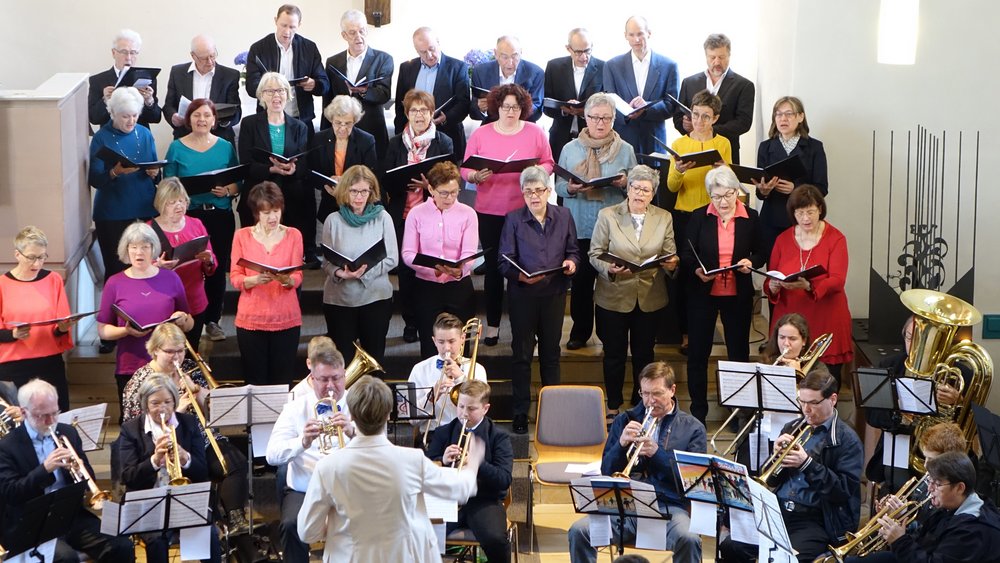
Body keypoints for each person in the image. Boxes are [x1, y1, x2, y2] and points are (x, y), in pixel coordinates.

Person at [298, 375, 485, 560]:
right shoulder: (413, 460)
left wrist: (338, 529)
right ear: (389, 413)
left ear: (352, 416)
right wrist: (473, 461)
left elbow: (307, 532)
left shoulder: (327, 467)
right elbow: (460, 488)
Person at [719, 369, 863, 563]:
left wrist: (806, 464)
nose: (806, 409)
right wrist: (774, 457)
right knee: (730, 546)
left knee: (785, 560)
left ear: (833, 399)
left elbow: (842, 491)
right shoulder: (793, 427)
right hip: (777, 513)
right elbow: (771, 478)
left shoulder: (847, 439)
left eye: (813, 403)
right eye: (802, 401)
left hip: (814, 520)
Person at [568, 362, 706, 563]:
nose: (650, 401)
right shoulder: (625, 420)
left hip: (669, 507)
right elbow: (607, 471)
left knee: (690, 539)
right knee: (579, 531)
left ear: (672, 390)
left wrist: (657, 454)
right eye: (645, 393)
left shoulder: (693, 429)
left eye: (657, 394)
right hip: (626, 505)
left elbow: (694, 482)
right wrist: (621, 444)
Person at [120, 323, 249, 529]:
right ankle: (206, 523)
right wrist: (177, 412)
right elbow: (134, 424)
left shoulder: (190, 369)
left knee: (235, 463)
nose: (177, 357)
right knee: (201, 472)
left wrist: (197, 390)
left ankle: (235, 521)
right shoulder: (140, 382)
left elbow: (216, 412)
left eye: (180, 351)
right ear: (154, 350)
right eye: (170, 352)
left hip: (202, 437)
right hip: (165, 444)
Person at [0, 379, 135, 563]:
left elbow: (89, 481)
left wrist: (79, 465)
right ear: (24, 412)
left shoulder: (68, 432)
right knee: (65, 558)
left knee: (121, 546)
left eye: (54, 413)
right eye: (42, 416)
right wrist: (45, 469)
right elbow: (11, 493)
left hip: (69, 516)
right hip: (31, 524)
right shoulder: (7, 446)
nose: (50, 421)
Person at [462, 83, 555, 346]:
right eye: (505, 107)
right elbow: (465, 168)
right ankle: (491, 326)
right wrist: (475, 175)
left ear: (523, 108)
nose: (510, 111)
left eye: (515, 107)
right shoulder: (482, 133)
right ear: (497, 107)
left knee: (525, 267)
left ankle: (525, 328)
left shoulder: (535, 132)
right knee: (492, 270)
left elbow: (549, 162)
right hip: (489, 209)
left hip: (524, 209)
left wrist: (535, 173)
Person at [589, 165, 679, 415]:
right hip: (614, 294)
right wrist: (610, 269)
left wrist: (672, 263)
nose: (640, 193)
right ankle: (613, 405)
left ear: (653, 194)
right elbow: (595, 253)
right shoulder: (608, 215)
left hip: (649, 296)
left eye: (646, 190)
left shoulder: (663, 217)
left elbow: (670, 252)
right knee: (614, 355)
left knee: (644, 354)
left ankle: (642, 404)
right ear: (628, 189)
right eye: (636, 188)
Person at [680, 166, 765, 425]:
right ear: (709, 196)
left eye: (728, 195)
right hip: (703, 293)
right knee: (698, 353)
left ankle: (738, 411)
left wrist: (750, 262)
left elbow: (762, 252)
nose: (723, 202)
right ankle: (698, 412)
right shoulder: (698, 217)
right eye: (716, 197)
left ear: (737, 192)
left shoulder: (751, 216)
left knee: (738, 353)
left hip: (737, 293)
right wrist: (697, 269)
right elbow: (686, 253)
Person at [498, 166, 580, 434]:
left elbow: (573, 251)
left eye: (539, 190)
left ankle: (552, 412)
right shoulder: (513, 219)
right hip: (523, 295)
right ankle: (521, 412)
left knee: (550, 353)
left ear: (548, 191)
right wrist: (521, 277)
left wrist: (571, 263)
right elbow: (503, 261)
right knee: (521, 354)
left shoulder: (564, 215)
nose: (534, 196)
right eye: (529, 191)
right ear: (523, 193)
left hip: (554, 294)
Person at [554, 92, 636, 350]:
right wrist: (571, 188)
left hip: (612, 229)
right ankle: (580, 332)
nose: (600, 123)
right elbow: (557, 186)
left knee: (610, 283)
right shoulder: (569, 148)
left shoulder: (626, 150)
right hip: (578, 225)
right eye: (595, 117)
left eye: (606, 118)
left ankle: (608, 333)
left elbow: (637, 188)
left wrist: (625, 184)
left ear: (613, 119)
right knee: (580, 283)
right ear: (585, 118)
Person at [118, 375, 219, 563]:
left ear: (175, 401)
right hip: (149, 502)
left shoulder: (188, 424)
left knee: (208, 531)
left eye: (167, 402)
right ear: (145, 404)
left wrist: (185, 458)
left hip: (185, 500)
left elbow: (202, 471)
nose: (162, 408)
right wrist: (155, 461)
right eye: (155, 403)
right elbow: (127, 476)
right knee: (156, 539)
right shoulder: (130, 430)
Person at [267, 345, 354, 563]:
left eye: (336, 378)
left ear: (344, 374)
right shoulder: (295, 407)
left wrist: (353, 431)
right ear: (312, 378)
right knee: (290, 524)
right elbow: (272, 455)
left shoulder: (359, 402)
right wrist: (302, 442)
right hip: (306, 488)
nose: (331, 386)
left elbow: (380, 444)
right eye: (324, 380)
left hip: (351, 487)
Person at [97, 223, 193, 417]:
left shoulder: (171, 278)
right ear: (126, 250)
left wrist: (182, 319)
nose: (138, 252)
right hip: (131, 365)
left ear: (153, 249)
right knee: (135, 426)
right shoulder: (115, 283)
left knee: (173, 421)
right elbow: (103, 329)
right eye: (133, 247)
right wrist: (126, 331)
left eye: (144, 247)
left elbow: (189, 322)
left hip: (167, 365)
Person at [382, 89, 455, 343]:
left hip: (432, 215)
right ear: (406, 113)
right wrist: (401, 182)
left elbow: (450, 180)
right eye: (414, 110)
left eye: (424, 110)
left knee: (430, 265)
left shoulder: (443, 142)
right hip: (403, 214)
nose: (419, 115)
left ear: (431, 113)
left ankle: (434, 318)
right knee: (406, 270)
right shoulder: (394, 143)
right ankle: (410, 321)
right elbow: (386, 180)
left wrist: (429, 188)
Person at [162, 99, 238, 343]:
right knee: (188, 268)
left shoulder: (225, 146)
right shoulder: (176, 147)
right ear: (189, 119)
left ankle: (213, 320)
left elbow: (238, 181)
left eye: (207, 115)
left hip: (219, 215)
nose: (202, 120)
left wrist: (227, 191)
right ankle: (184, 317)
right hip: (189, 218)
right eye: (197, 115)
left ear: (214, 120)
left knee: (215, 267)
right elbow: (169, 186)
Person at [764, 185, 853, 384]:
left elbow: (838, 280)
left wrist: (810, 287)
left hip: (826, 316)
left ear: (820, 209)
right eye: (800, 213)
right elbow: (770, 276)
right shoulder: (782, 239)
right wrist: (773, 286)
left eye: (810, 212)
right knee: (786, 381)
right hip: (790, 318)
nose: (806, 218)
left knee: (826, 382)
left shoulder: (836, 238)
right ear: (793, 213)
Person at [843, 452, 1000, 563]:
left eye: (937, 484)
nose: (930, 489)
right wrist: (902, 519)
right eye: (930, 482)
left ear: (959, 488)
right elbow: (925, 541)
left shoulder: (973, 530)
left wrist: (899, 540)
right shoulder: (954, 506)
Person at [427, 380, 514, 563]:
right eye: (461, 406)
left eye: (471, 408)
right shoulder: (444, 432)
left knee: (495, 540)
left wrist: (477, 463)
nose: (464, 413)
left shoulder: (498, 437)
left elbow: (504, 479)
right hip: (447, 501)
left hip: (484, 501)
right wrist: (442, 461)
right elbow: (426, 470)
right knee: (418, 533)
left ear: (485, 408)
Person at [321, 165, 398, 366]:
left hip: (375, 297)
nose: (359, 197)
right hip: (339, 300)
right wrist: (340, 272)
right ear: (344, 191)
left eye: (364, 191)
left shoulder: (383, 218)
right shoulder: (333, 220)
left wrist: (363, 274)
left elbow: (392, 258)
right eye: (354, 191)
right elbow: (326, 261)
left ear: (372, 192)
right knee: (342, 362)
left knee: (374, 358)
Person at [238, 71, 316, 267]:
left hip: (292, 196)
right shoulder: (249, 124)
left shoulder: (300, 127)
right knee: (259, 258)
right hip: (259, 193)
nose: (276, 96)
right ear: (261, 95)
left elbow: (305, 163)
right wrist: (270, 170)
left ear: (288, 95)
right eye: (270, 91)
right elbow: (246, 163)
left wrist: (292, 169)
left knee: (288, 257)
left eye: (281, 90)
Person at [402, 162, 480, 358]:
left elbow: (469, 252)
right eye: (444, 193)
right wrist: (432, 270)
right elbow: (408, 253)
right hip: (426, 286)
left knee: (462, 347)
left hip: (458, 285)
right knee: (430, 348)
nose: (450, 198)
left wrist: (460, 269)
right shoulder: (416, 213)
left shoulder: (468, 214)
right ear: (430, 189)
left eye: (455, 192)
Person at [230, 182, 303, 386]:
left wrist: (288, 280)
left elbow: (298, 275)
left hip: (285, 318)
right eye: (266, 212)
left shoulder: (293, 235)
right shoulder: (241, 236)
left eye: (276, 211)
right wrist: (252, 280)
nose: (272, 217)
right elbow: (235, 276)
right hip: (251, 319)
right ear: (256, 213)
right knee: (255, 381)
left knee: (282, 381)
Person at [88, 86, 161, 283]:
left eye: (135, 115)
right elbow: (94, 179)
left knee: (148, 268)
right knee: (117, 271)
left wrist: (155, 173)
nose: (131, 121)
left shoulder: (144, 134)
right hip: (113, 213)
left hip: (144, 208)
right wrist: (115, 172)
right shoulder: (101, 138)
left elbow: (155, 170)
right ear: (112, 114)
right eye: (125, 116)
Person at [0, 227, 76, 411]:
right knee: (17, 423)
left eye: (42, 257)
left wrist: (63, 327)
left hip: (49, 361)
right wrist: (13, 334)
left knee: (56, 416)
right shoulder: (2, 284)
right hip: (14, 364)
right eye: (32, 257)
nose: (38, 263)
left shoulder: (53, 279)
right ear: (17, 254)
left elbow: (60, 325)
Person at [754, 96, 829, 261]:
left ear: (800, 117)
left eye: (789, 114)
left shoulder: (814, 147)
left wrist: (795, 189)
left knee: (799, 266)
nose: (783, 119)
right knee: (774, 268)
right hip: (772, 218)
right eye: (778, 114)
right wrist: (763, 190)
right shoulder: (766, 147)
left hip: (802, 219)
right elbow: (759, 193)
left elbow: (822, 188)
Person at [147, 178, 218, 350]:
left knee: (190, 353)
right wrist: (157, 267)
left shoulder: (196, 224)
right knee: (165, 353)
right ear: (161, 204)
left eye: (182, 201)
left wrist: (208, 260)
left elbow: (211, 265)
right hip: (163, 302)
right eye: (172, 202)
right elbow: (140, 269)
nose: (179, 206)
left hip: (194, 298)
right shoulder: (149, 229)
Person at [602, 16, 679, 164]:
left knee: (655, 184)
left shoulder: (669, 65)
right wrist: (627, 112)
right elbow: (608, 104)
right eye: (631, 35)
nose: (636, 39)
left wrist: (646, 107)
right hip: (623, 140)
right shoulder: (612, 66)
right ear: (625, 36)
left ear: (649, 33)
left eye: (640, 34)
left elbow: (672, 105)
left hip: (655, 140)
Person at [323, 9, 394, 159]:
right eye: (352, 32)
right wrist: (325, 133)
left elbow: (384, 94)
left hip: (372, 129)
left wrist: (363, 91)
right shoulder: (333, 62)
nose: (358, 37)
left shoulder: (383, 59)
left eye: (362, 31)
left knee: (371, 178)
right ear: (344, 35)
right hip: (341, 132)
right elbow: (327, 101)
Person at [673, 34, 754, 164]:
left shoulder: (744, 85)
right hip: (691, 150)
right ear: (706, 56)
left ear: (729, 55)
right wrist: (684, 125)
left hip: (725, 151)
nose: (716, 62)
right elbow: (677, 116)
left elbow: (743, 123)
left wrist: (708, 129)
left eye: (721, 57)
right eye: (712, 57)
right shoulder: (689, 82)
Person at [245, 4, 328, 131]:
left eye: (292, 27)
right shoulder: (258, 48)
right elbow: (251, 87)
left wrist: (314, 84)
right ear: (275, 21)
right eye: (283, 25)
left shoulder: (309, 48)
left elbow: (325, 84)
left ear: (299, 25)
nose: (287, 31)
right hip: (267, 120)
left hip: (301, 120)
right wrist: (269, 88)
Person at [394, 27, 471, 163]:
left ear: (438, 42)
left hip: (447, 137)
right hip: (412, 142)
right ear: (416, 50)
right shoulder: (406, 68)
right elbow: (400, 106)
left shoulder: (457, 67)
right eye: (423, 52)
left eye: (432, 49)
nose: (429, 55)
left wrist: (445, 118)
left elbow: (463, 103)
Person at [407, 313, 488, 441]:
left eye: (452, 341)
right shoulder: (420, 370)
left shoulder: (477, 369)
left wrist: (461, 379)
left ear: (462, 338)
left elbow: (481, 413)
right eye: (441, 342)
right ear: (434, 341)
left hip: (468, 436)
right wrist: (432, 396)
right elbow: (412, 421)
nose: (447, 348)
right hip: (433, 436)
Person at [309, 95, 378, 225]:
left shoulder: (366, 141)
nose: (342, 128)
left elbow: (371, 176)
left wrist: (347, 185)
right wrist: (326, 183)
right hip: (329, 203)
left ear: (355, 121)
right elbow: (312, 173)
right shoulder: (319, 139)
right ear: (331, 120)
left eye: (347, 123)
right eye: (338, 123)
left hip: (357, 205)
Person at [163, 35, 242, 143]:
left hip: (219, 139)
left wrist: (222, 121)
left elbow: (236, 111)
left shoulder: (230, 75)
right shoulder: (177, 73)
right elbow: (168, 106)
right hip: (185, 137)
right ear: (193, 56)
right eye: (204, 58)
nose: (210, 61)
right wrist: (173, 117)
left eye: (212, 56)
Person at [543, 28, 605, 162]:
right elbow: (546, 105)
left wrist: (584, 111)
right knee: (562, 180)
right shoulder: (554, 67)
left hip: (592, 138)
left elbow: (608, 105)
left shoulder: (603, 68)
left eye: (587, 51)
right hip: (561, 137)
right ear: (568, 48)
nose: (583, 57)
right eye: (578, 52)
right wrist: (565, 111)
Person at [88, 29, 161, 128]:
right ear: (114, 53)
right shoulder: (98, 80)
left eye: (133, 52)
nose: (129, 57)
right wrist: (105, 100)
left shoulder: (147, 78)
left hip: (139, 137)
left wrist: (149, 101)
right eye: (124, 52)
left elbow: (156, 118)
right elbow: (94, 119)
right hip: (110, 138)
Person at [470, 36, 544, 124]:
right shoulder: (480, 72)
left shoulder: (535, 72)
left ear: (521, 53)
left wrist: (515, 110)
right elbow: (472, 110)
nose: (510, 62)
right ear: (496, 54)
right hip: (491, 124)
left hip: (523, 124)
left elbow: (537, 107)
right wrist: (480, 108)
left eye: (514, 56)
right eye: (505, 57)